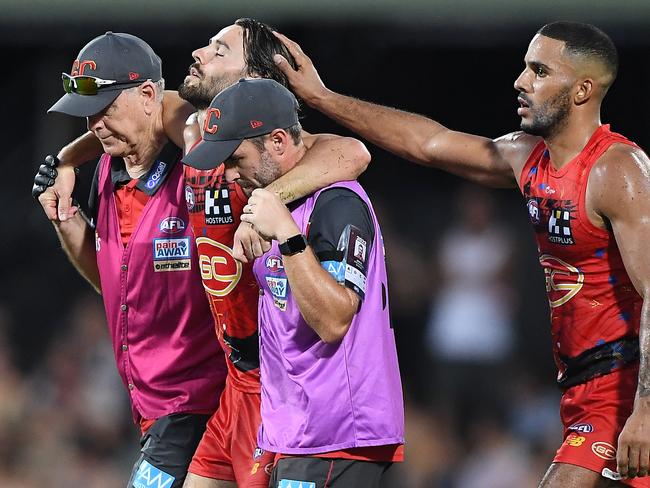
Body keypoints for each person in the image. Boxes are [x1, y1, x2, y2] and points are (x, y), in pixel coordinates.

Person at [273, 21, 650, 488]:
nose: (520, 81)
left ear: (582, 90)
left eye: (539, 70)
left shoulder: (618, 170)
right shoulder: (526, 157)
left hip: (624, 383)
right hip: (581, 384)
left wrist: (645, 409)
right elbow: (427, 143)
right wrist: (323, 98)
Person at [34, 19, 371, 488]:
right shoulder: (192, 134)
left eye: (218, 50)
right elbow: (144, 113)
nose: (198, 52)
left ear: (254, 83)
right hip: (226, 390)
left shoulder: (263, 164)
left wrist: (264, 206)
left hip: (263, 387)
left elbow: (351, 152)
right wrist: (70, 161)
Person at [183, 78, 404, 488]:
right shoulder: (279, 203)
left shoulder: (336, 204)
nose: (229, 175)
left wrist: (287, 235)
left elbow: (336, 318)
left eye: (237, 159)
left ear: (279, 142)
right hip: (294, 432)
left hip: (337, 433)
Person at [38, 32, 227, 488]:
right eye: (88, 115)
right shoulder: (106, 168)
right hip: (149, 408)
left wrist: (67, 157)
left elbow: (191, 116)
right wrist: (67, 219)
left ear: (147, 96)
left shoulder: (198, 165)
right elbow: (115, 283)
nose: (96, 125)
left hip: (204, 401)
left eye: (105, 108)